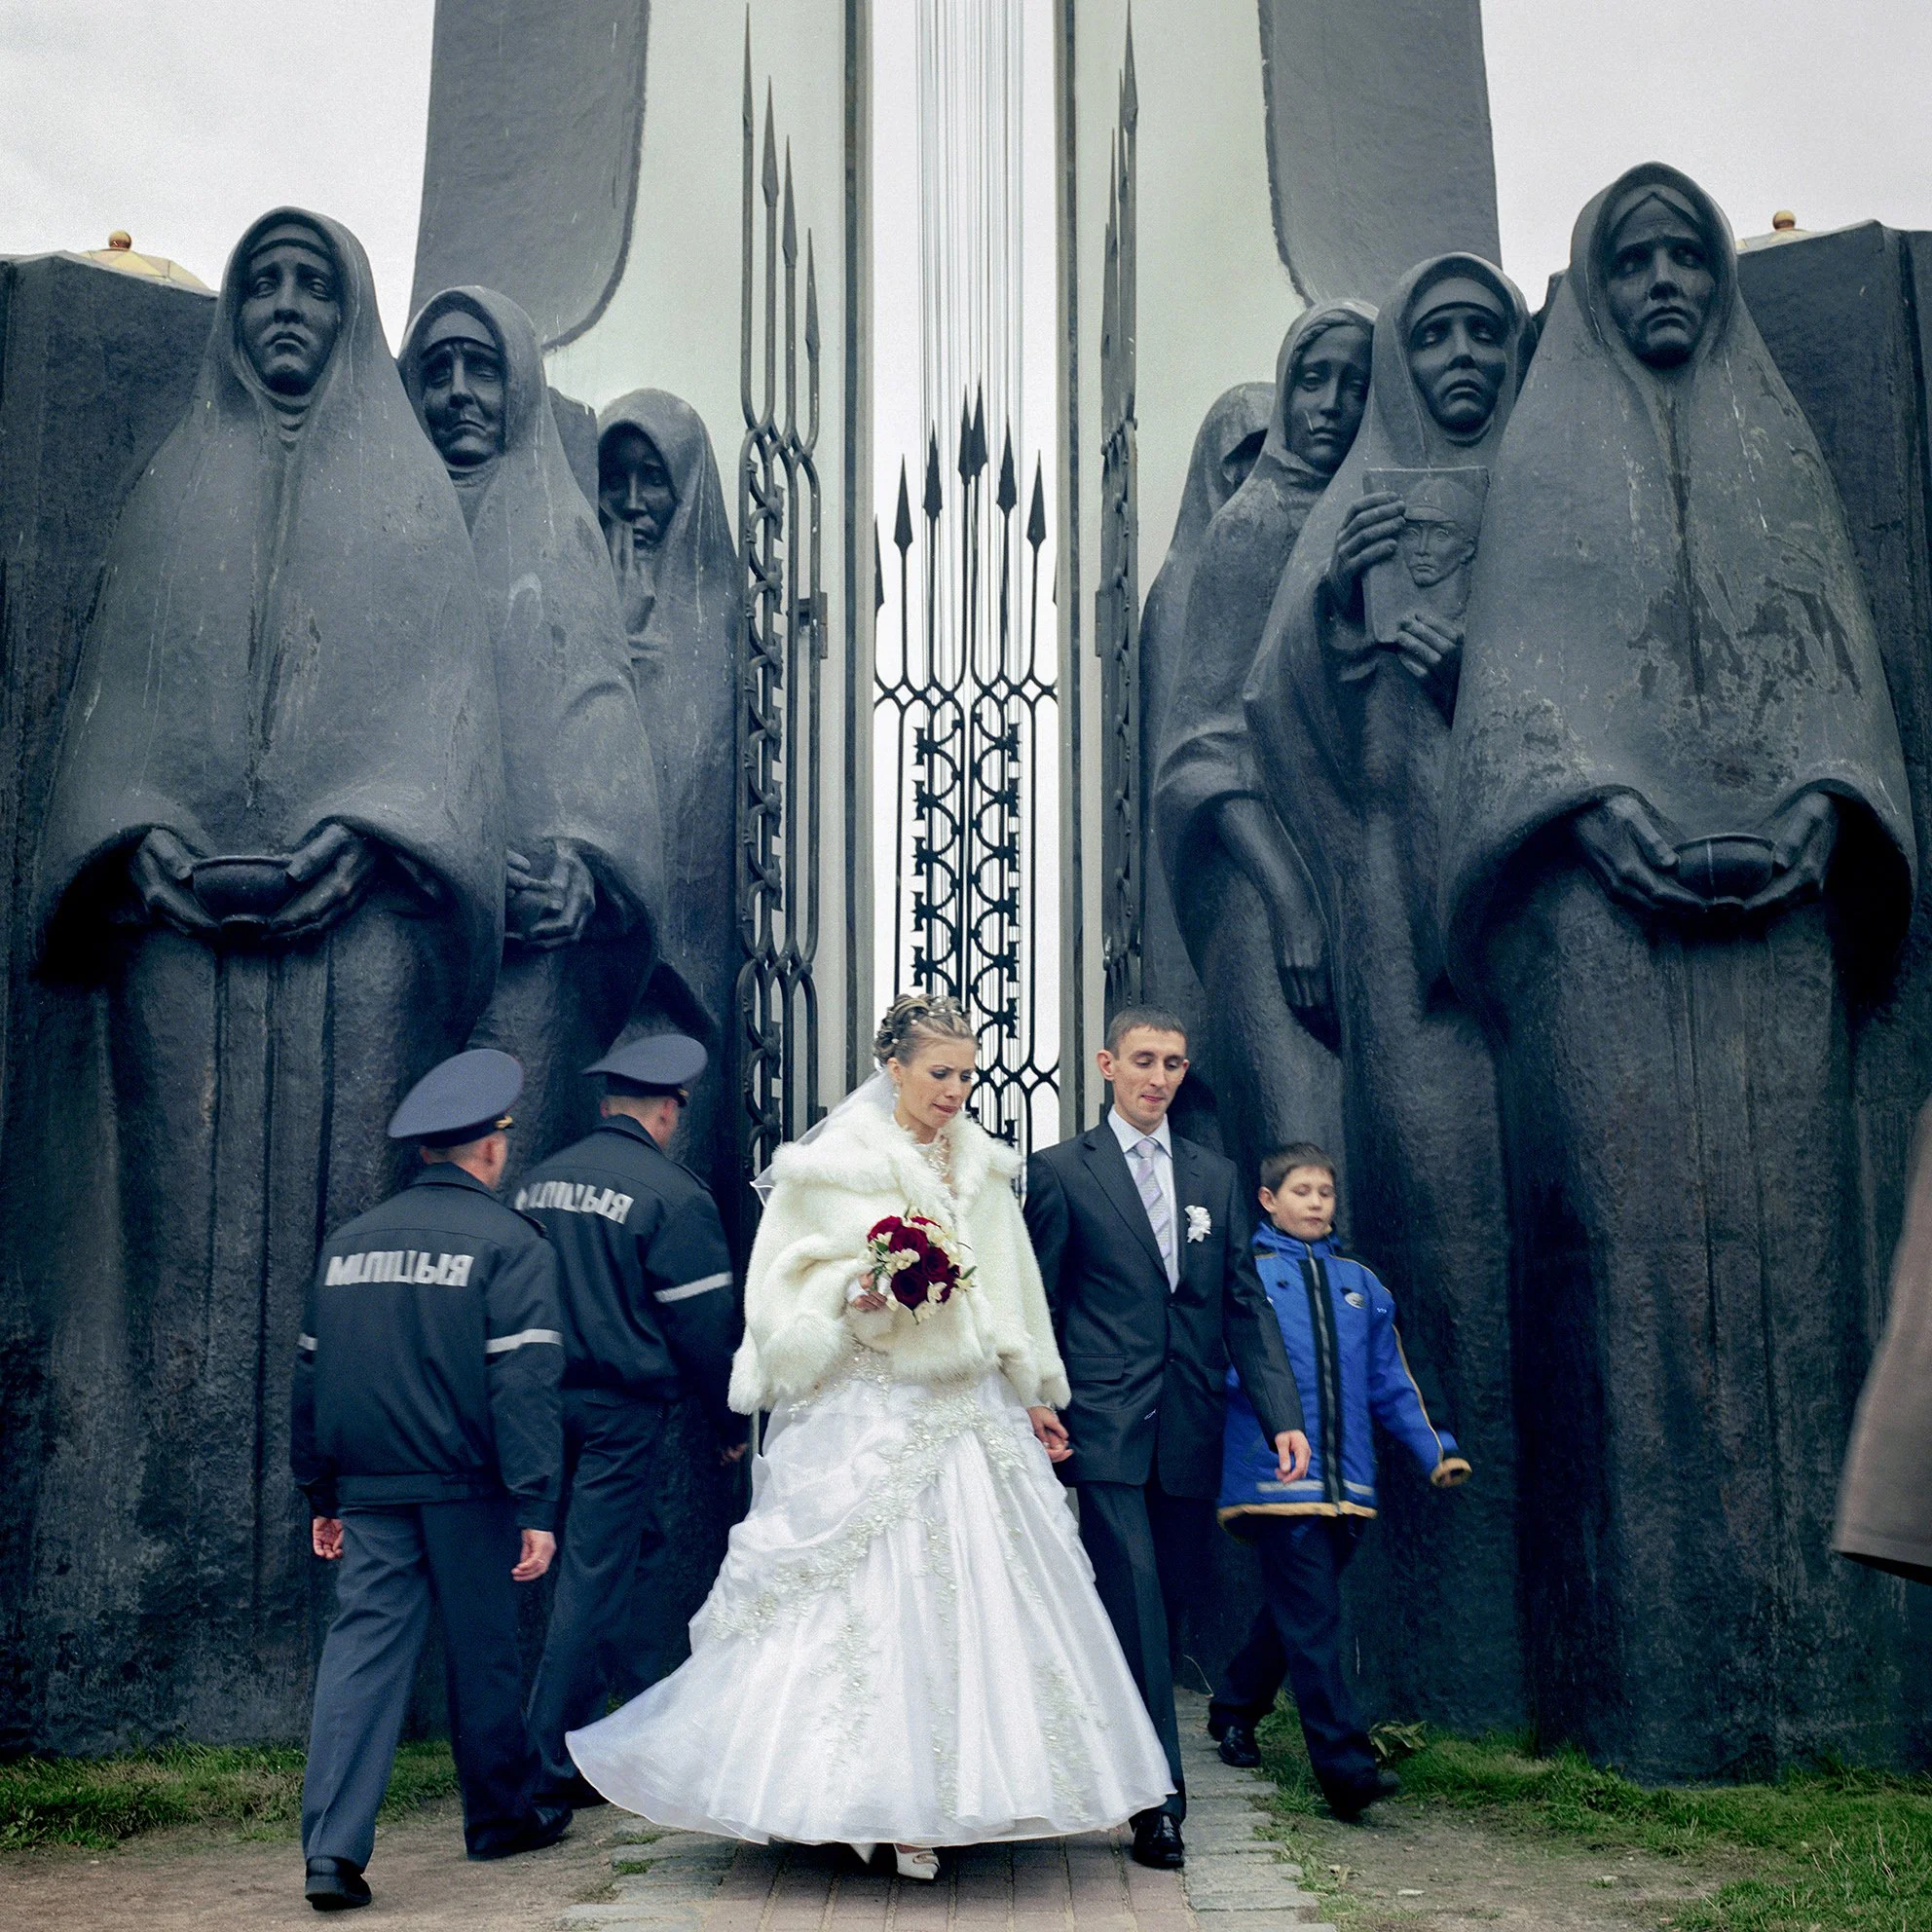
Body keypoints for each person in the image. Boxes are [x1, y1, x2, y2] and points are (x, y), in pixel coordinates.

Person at [1439, 165, 1915, 1773]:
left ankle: (1816, 1685)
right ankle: (1641, 1682)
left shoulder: (1770, 452)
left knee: (1789, 1264)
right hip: (1598, 918)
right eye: (1627, 259)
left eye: (1681, 258)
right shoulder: (1543, 465)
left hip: (1779, 908)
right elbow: (1516, 687)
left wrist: (1817, 808)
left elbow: (1835, 673)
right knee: (1626, 1282)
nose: (1657, 282)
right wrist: (1592, 808)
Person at [30, 207, 502, 1722]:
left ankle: (325, 1558)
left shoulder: (413, 503)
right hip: (172, 922)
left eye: (316, 285)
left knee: (351, 1227)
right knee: (177, 1228)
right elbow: (112, 709)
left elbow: (448, 721)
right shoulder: (177, 483)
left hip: (360, 917)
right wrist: (135, 841)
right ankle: (160, 1559)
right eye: (266, 285)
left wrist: (372, 833)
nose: (288, 308)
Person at [566, 993, 1171, 1881]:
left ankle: (955, 1796)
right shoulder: (831, 1163)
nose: (958, 1091)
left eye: (969, 1075)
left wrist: (1035, 1388)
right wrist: (860, 1290)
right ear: (893, 1067)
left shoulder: (986, 1169)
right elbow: (781, 1285)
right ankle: (860, 1801)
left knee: (976, 1599)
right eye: (941, 1074)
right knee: (865, 1604)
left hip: (971, 1412)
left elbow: (1013, 1290)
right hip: (866, 1408)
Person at [1242, 255, 1533, 1730]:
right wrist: (1348, 622)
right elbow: (1267, 710)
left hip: (1537, 909)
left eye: (1492, 332)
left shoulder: (1544, 486)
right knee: (1433, 1197)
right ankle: (1419, 1661)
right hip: (1386, 896)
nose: (1465, 358)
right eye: (1442, 335)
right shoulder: (1336, 515)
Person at [1022, 1008, 1310, 1871]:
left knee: (1166, 1604)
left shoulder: (1216, 1177)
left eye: (1175, 1064)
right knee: (1140, 1598)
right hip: (1102, 1425)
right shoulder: (1058, 1173)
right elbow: (1038, 1299)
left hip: (1189, 1425)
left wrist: (1281, 1413)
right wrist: (1039, 1400)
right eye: (1144, 1061)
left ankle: (1101, 1754)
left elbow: (1243, 1307)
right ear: (1108, 1063)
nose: (1159, 1077)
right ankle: (1159, 1805)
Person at [290, 1050, 568, 1912]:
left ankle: (331, 1855)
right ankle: (498, 1819)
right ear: (490, 1150)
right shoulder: (509, 1243)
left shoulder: (348, 1244)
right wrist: (535, 1501)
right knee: (483, 1652)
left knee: (361, 1660)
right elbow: (522, 1386)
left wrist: (321, 1492)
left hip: (370, 1489)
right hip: (469, 1489)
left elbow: (310, 1377)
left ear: (425, 1152)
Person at [401, 288, 663, 1172]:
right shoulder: (380, 528)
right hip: (400, 912)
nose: (461, 393)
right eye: (438, 372)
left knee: (507, 1173)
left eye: (484, 368)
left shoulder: (561, 535)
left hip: (527, 933)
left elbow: (599, 718)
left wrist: (581, 863)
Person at [1207, 1143, 1468, 1819]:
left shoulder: (1363, 1284)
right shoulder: (1248, 1277)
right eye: (1301, 1191)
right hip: (1275, 1478)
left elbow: (1391, 1380)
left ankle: (1234, 1707)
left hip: (1349, 1483)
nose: (1316, 1202)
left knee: (1299, 1615)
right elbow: (1226, 1363)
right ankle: (1346, 1770)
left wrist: (1433, 1448)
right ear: (1268, 1201)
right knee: (1315, 1619)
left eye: (1325, 1191)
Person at [518, 1034, 745, 1809]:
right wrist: (727, 1420)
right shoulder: (672, 1194)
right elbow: (705, 1329)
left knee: (639, 1557)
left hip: (542, 1404)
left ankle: (637, 1731)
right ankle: (543, 1758)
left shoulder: (538, 1183)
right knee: (594, 1571)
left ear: (607, 1103)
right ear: (668, 1108)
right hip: (623, 1412)